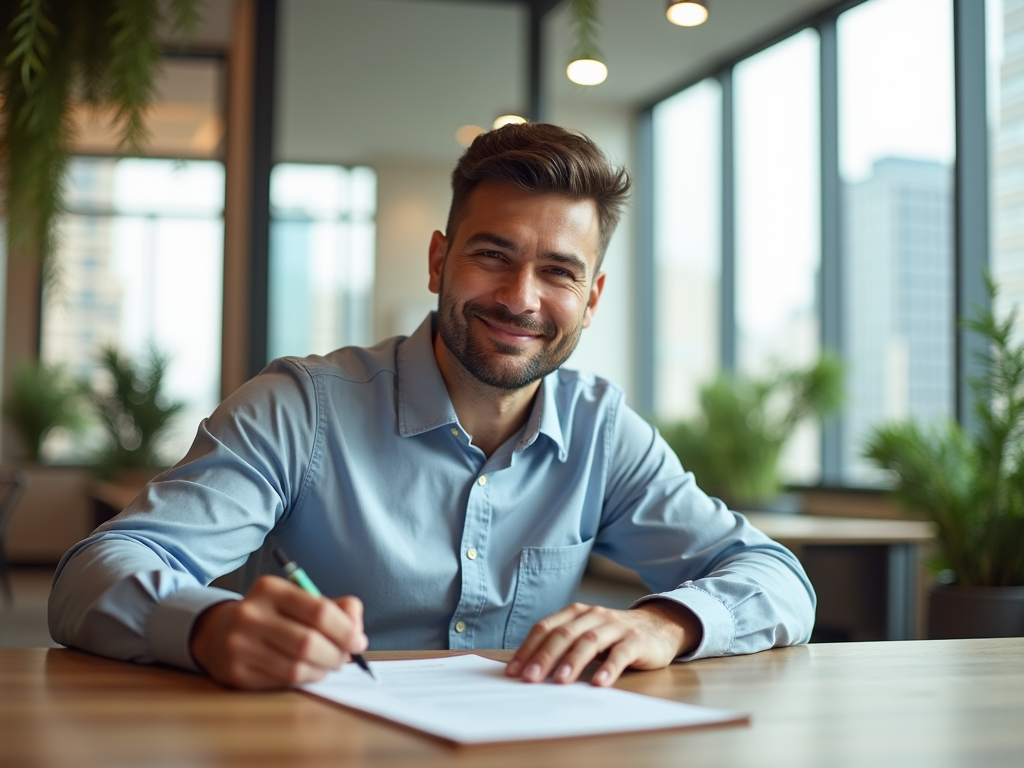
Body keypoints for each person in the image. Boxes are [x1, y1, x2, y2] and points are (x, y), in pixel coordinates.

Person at [49, 123, 815, 690]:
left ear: (592, 299)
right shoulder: (299, 408)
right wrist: (210, 627)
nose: (521, 299)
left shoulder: (603, 432)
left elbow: (777, 578)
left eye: (558, 272)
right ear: (439, 261)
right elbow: (93, 574)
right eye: (494, 255)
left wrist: (662, 623)